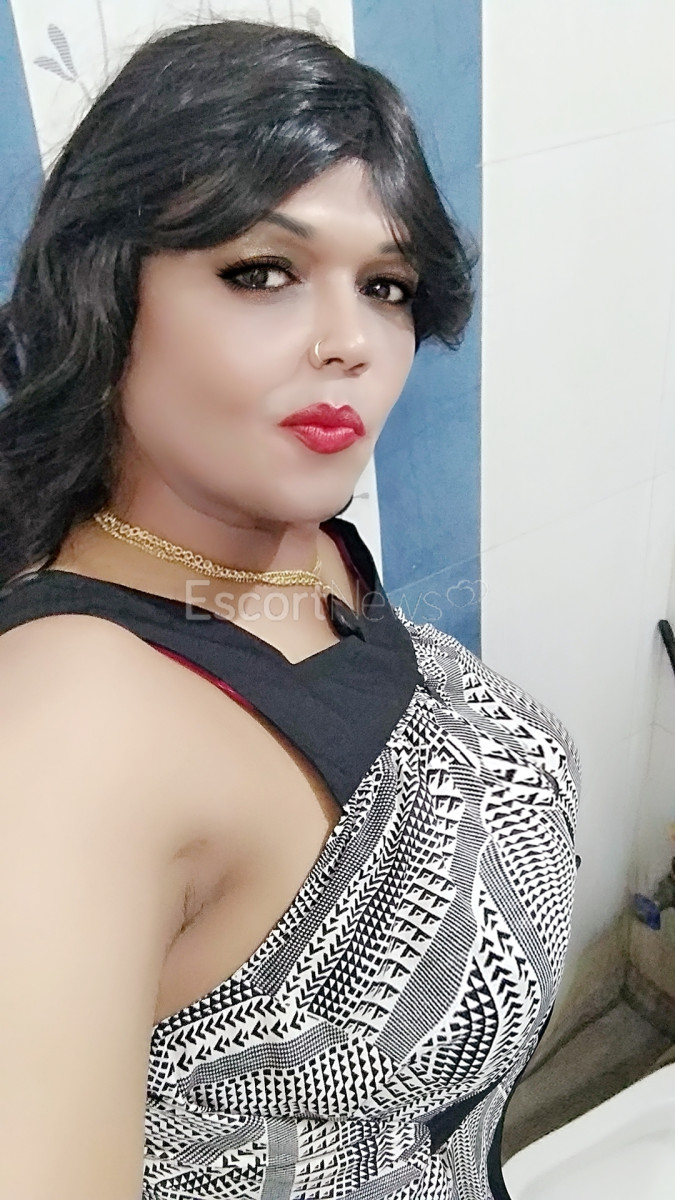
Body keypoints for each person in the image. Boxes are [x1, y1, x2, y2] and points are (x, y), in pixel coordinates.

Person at [0, 18, 581, 1200]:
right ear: (106, 283)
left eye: (387, 287)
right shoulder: (70, 733)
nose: (350, 343)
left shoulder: (286, 543)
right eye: (262, 272)